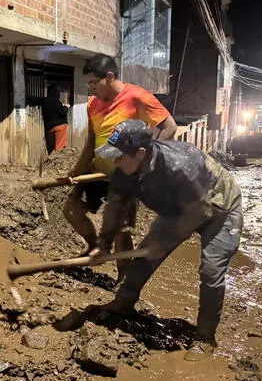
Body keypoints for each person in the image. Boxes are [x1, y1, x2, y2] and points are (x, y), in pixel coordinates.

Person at [90, 119, 243, 361]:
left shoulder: (179, 166)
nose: (114, 161)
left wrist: (162, 243)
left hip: (219, 207)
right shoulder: (125, 171)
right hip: (179, 207)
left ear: (140, 153)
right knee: (144, 255)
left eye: (119, 156)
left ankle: (205, 337)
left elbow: (199, 212)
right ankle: (123, 303)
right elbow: (115, 207)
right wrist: (102, 244)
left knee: (211, 270)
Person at [63, 54, 177, 271]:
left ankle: (123, 278)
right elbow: (91, 142)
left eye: (93, 83)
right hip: (98, 172)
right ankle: (94, 246)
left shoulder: (137, 97)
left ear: (109, 77)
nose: (91, 89)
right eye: (89, 84)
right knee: (71, 210)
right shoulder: (93, 105)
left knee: (121, 230)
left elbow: (168, 127)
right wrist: (77, 170)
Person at [42, 84, 69, 154]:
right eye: (58, 92)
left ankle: (50, 163)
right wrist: (66, 107)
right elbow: (62, 112)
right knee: (59, 149)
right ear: (55, 92)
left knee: (51, 149)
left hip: (49, 128)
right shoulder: (56, 102)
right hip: (59, 127)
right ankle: (57, 164)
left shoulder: (45, 102)